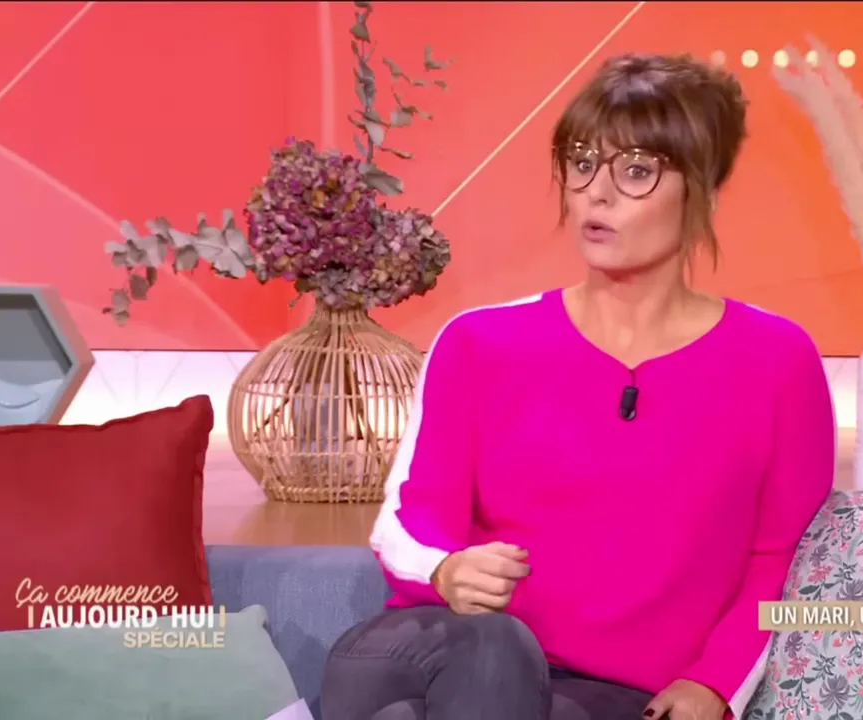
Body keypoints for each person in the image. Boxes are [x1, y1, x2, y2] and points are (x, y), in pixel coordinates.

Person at [318, 53, 836, 720]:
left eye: (637, 171)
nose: (597, 193)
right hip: (436, 647)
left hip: (607, 697)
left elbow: (782, 561)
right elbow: (407, 520)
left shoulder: (777, 361)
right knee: (495, 653)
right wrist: (446, 568)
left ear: (701, 187)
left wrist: (715, 683)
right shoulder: (480, 343)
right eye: (582, 163)